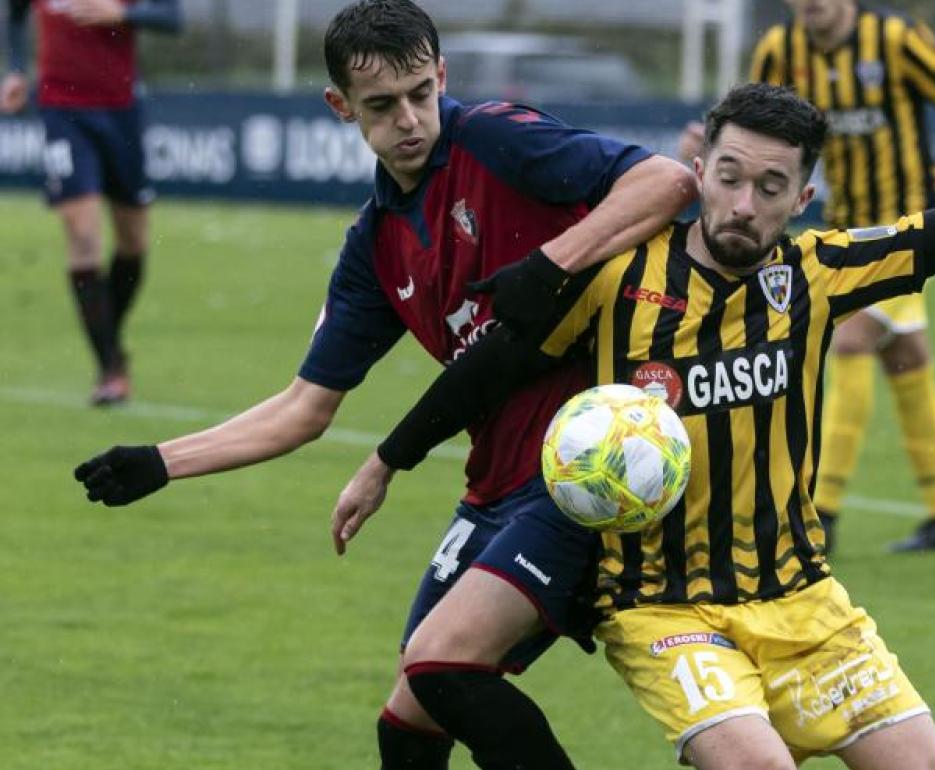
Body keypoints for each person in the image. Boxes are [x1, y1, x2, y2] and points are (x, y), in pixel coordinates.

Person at [357, 63, 935, 768]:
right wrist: (388, 457)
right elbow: (496, 362)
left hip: (803, 598)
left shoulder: (819, 273)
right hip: (665, 606)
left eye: (770, 187)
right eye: (728, 178)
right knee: (757, 764)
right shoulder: (616, 281)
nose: (743, 205)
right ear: (699, 170)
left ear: (802, 197)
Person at [71, 1, 696, 768]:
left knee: (442, 668)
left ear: (441, 77)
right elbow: (305, 408)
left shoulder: (493, 138)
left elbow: (665, 180)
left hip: (585, 464)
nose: (409, 119)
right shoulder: (374, 246)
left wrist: (552, 263)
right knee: (410, 715)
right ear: (341, 107)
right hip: (495, 476)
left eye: (419, 94)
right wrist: (162, 461)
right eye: (381, 106)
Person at [680, 0, 935, 553]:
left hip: (909, 234)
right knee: (906, 360)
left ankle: (823, 512)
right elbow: (748, 125)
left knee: (851, 341)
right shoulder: (780, 51)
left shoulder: (896, 40)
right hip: (844, 237)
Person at [2, 0, 183, 405]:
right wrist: (16, 69)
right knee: (83, 235)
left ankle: (109, 341)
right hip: (61, 110)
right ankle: (110, 369)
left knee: (133, 241)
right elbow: (13, 14)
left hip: (121, 111)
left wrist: (123, 15)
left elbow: (172, 18)